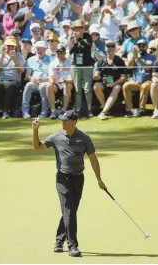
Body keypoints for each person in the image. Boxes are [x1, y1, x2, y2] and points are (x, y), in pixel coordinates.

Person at [32, 109, 107, 257]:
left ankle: (59, 241)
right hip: (63, 178)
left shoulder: (84, 138)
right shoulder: (56, 137)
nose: (62, 122)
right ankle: (72, 245)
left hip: (78, 178)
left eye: (65, 120)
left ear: (73, 122)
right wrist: (35, 131)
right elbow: (37, 146)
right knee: (70, 210)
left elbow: (93, 158)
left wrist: (99, 179)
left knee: (69, 210)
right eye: (62, 120)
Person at [0, 37, 25, 119]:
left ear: (15, 47)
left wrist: (14, 58)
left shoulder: (19, 56)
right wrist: (2, 56)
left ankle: (6, 110)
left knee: (10, 86)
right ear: (5, 46)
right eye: (8, 46)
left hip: (14, 80)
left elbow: (21, 70)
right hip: (1, 79)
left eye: (12, 46)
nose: (10, 48)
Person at [93, 40, 127, 120]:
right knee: (96, 86)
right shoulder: (101, 61)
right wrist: (96, 77)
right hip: (104, 82)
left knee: (117, 87)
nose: (110, 48)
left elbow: (123, 77)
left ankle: (103, 112)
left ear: (115, 48)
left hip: (116, 83)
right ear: (105, 48)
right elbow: (97, 74)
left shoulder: (119, 61)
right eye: (108, 46)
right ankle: (106, 107)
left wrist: (114, 83)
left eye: (112, 46)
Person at [123, 39, 156, 117]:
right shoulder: (134, 56)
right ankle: (129, 110)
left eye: (143, 46)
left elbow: (147, 67)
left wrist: (137, 58)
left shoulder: (152, 56)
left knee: (144, 86)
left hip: (147, 80)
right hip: (136, 81)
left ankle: (142, 109)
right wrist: (134, 57)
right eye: (139, 46)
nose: (141, 47)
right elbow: (129, 67)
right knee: (126, 86)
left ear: (146, 47)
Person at [69, 19, 94, 117]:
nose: (78, 29)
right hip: (76, 66)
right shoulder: (72, 38)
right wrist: (75, 41)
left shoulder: (88, 37)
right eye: (76, 28)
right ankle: (78, 109)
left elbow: (88, 47)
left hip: (87, 66)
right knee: (78, 90)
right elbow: (70, 51)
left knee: (87, 89)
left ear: (83, 28)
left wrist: (80, 39)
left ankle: (89, 109)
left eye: (80, 27)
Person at [22, 41, 51, 118]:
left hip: (46, 81)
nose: (39, 50)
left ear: (45, 49)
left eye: (41, 48)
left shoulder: (51, 59)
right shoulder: (30, 60)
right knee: (28, 85)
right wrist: (31, 78)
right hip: (34, 81)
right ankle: (25, 111)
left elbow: (52, 75)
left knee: (43, 87)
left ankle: (44, 112)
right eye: (38, 49)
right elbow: (27, 75)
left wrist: (44, 80)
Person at [47, 45, 73, 119]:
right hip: (57, 84)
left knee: (67, 85)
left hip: (68, 83)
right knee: (49, 86)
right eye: (58, 53)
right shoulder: (53, 63)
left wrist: (64, 80)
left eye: (61, 53)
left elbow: (73, 77)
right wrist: (52, 81)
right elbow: (50, 76)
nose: (59, 54)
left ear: (65, 53)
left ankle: (63, 110)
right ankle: (53, 111)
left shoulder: (70, 63)